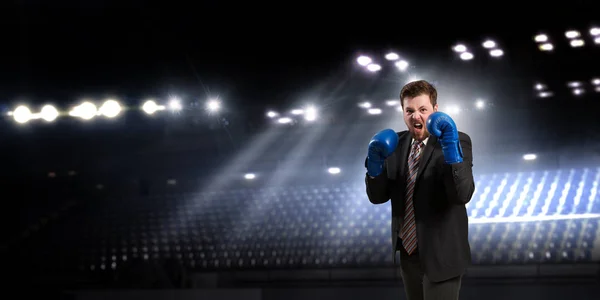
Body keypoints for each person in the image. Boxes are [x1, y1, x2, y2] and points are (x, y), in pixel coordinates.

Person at [364, 80, 475, 300]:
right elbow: (377, 197)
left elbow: (462, 194)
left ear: (435, 110)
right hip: (408, 253)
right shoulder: (394, 144)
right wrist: (373, 166)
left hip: (442, 254)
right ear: (403, 113)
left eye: (423, 109)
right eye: (410, 110)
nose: (416, 116)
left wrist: (451, 149)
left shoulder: (456, 139)